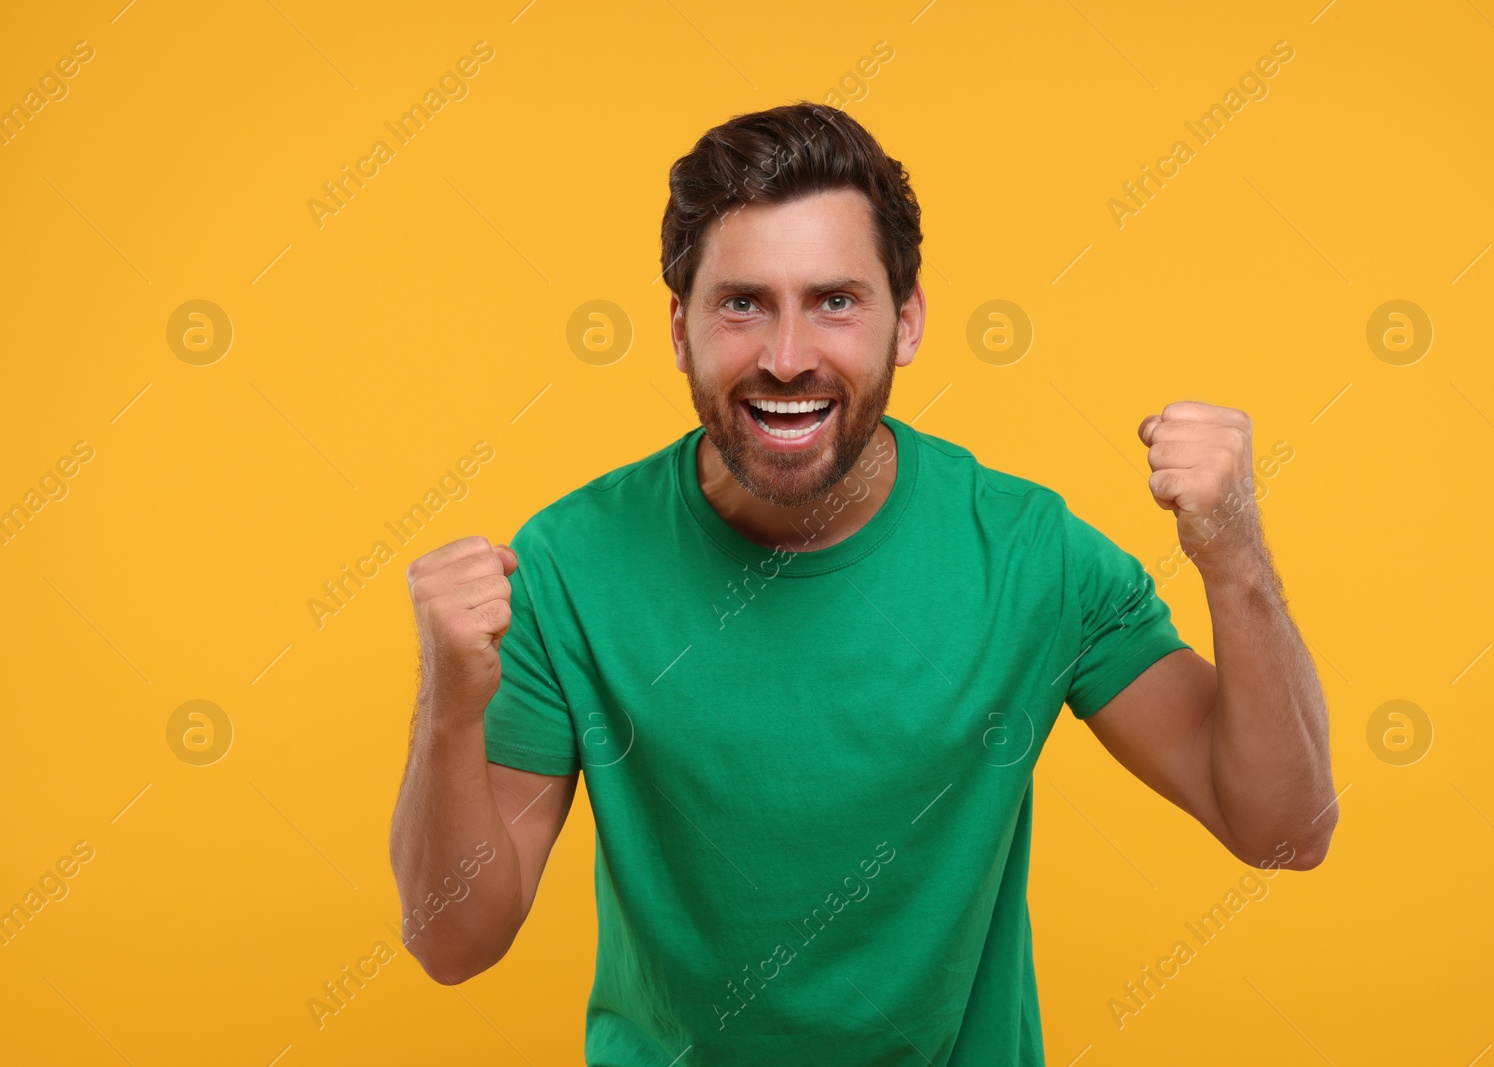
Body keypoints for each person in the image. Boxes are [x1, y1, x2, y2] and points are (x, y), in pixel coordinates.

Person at [388, 101, 1336, 1066]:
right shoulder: (569, 566)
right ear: (680, 328)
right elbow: (455, 943)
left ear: (908, 318)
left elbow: (1285, 830)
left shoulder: (1028, 556)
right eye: (742, 302)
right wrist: (449, 708)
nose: (787, 355)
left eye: (835, 300)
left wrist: (1236, 558)